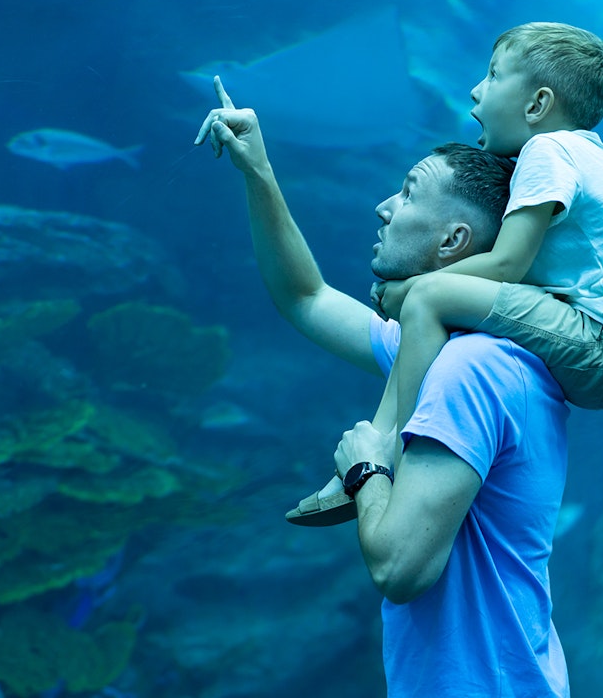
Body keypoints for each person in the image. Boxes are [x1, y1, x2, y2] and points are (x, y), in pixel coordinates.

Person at [195, 77, 570, 696]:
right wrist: (258, 170)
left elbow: (400, 567)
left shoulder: (470, 368)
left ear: (453, 241)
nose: (384, 206)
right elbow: (305, 297)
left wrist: (366, 470)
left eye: (409, 192)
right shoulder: (444, 350)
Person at [293, 22, 603, 525]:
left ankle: (384, 456)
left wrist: (409, 288)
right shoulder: (582, 154)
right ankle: (383, 445)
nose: (476, 90)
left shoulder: (549, 151)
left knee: (430, 299)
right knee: (444, 305)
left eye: (494, 74)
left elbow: (507, 265)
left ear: (536, 105)